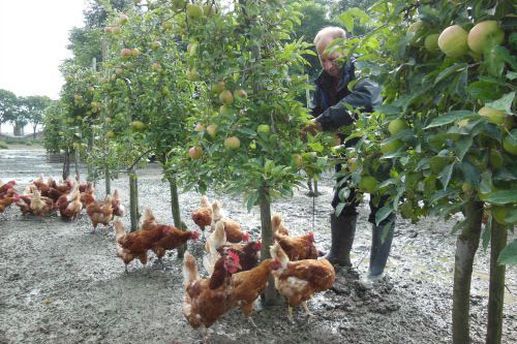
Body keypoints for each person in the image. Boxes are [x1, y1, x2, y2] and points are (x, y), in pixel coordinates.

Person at [304, 27, 395, 280]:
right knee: (342, 199)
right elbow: (317, 110)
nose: (327, 64)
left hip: (377, 145)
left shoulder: (364, 66)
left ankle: (376, 273)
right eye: (321, 59)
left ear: (345, 48)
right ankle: (339, 257)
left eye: (331, 58)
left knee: (383, 204)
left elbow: (365, 96)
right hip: (346, 149)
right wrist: (303, 123)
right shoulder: (322, 80)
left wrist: (323, 120)